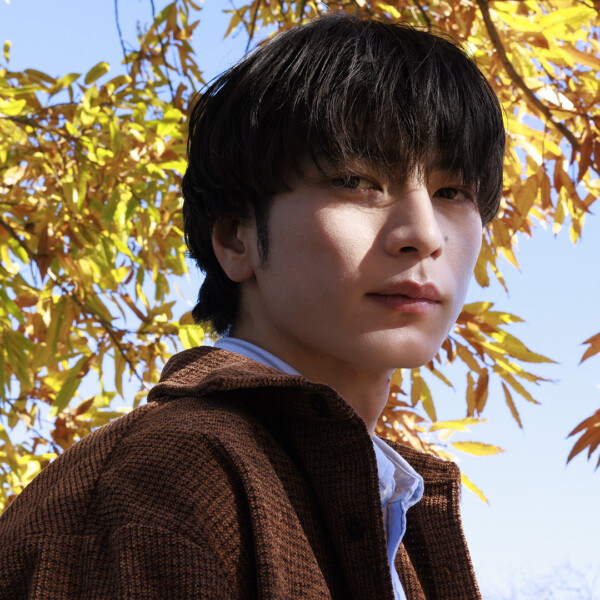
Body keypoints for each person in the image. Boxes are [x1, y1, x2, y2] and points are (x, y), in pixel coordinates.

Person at [0, 13, 504, 600]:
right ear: (236, 237)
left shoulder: (389, 512)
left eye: (451, 192)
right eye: (356, 181)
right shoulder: (166, 479)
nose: (423, 233)